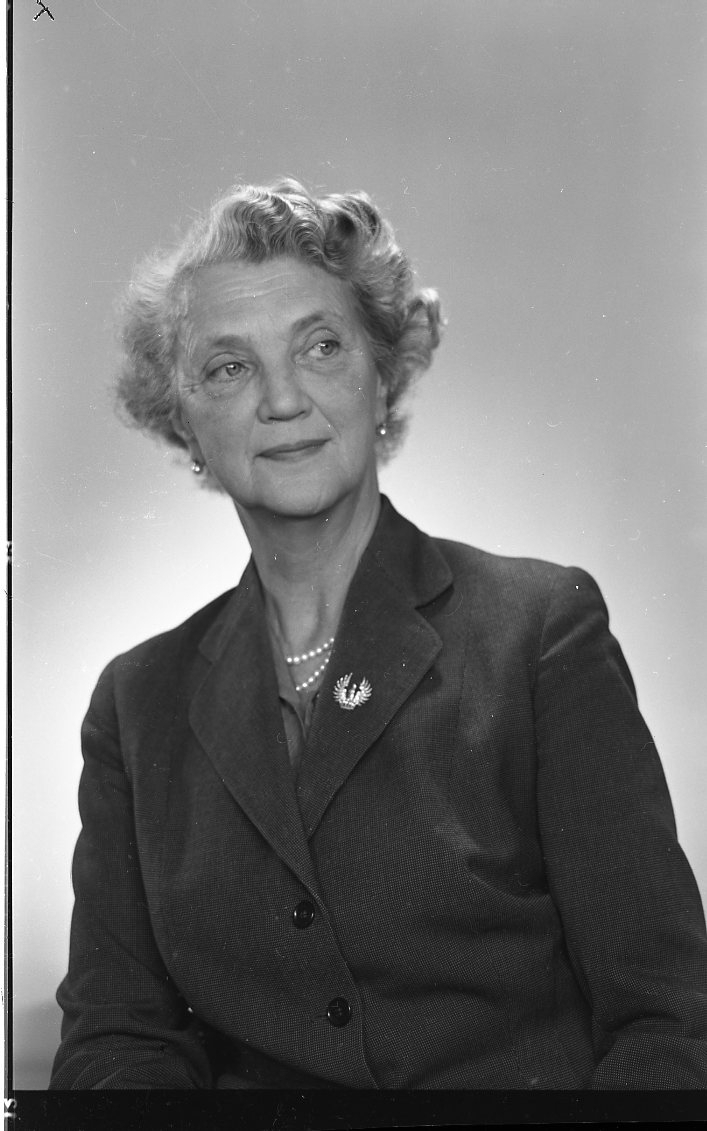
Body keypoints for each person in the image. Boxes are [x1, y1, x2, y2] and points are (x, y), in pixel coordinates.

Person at [50, 178, 707, 1090]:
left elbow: (666, 1021)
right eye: (229, 367)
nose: (283, 399)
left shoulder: (537, 631)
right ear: (184, 421)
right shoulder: (137, 703)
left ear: (381, 380)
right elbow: (117, 1041)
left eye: (320, 346)